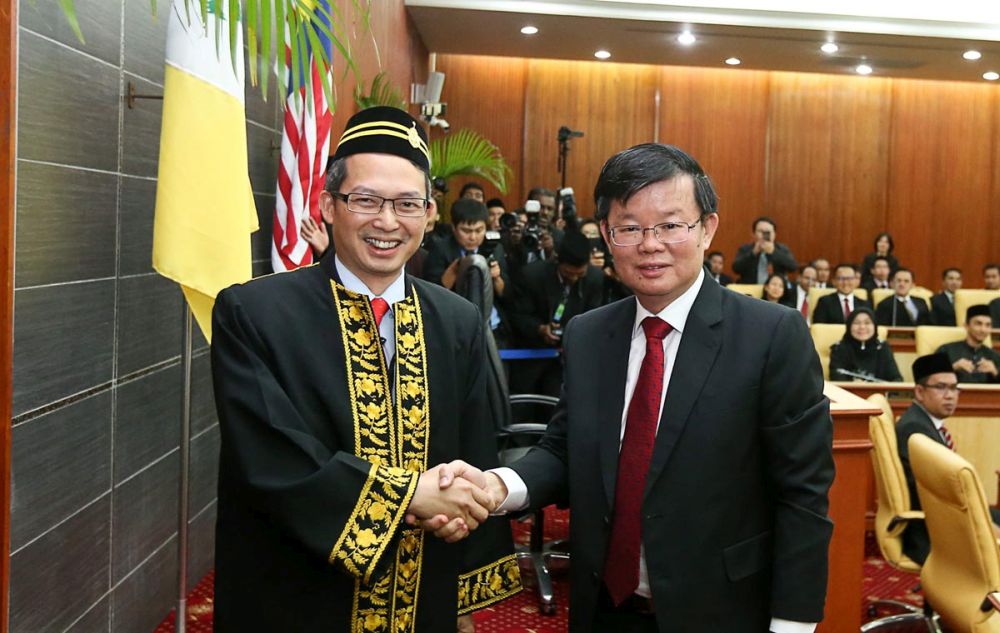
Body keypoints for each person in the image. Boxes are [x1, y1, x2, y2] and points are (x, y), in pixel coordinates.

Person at [434, 143, 834, 632]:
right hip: (604, 606)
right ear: (606, 234)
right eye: (630, 227)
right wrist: (497, 486)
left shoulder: (773, 336)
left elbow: (803, 496)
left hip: (720, 611)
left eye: (670, 225)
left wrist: (792, 625)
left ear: (707, 228)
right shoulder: (588, 334)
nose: (650, 244)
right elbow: (564, 449)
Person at [210, 106, 521, 631]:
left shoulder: (457, 320)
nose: (387, 221)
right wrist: (408, 497)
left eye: (406, 204)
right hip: (295, 596)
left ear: (428, 215)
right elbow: (271, 457)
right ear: (329, 206)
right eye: (366, 200)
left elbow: (471, 445)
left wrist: (462, 525)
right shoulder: (254, 312)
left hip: (422, 594)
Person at [895, 353, 1000, 564]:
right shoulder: (915, 430)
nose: (950, 395)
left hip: (943, 519)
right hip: (932, 532)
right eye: (941, 387)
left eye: (954, 388)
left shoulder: (923, 422)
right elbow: (934, 494)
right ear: (919, 391)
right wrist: (986, 528)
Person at [507, 230, 605, 398]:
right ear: (557, 261)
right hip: (532, 355)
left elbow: (594, 318)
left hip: (571, 357)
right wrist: (540, 329)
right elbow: (518, 315)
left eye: (579, 274)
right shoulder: (531, 276)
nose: (574, 279)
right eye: (568, 273)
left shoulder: (595, 278)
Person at [828, 306, 902, 382]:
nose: (862, 327)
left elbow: (896, 378)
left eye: (867, 323)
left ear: (875, 326)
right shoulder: (839, 348)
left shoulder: (882, 347)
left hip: (880, 393)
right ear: (849, 326)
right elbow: (837, 378)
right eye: (856, 323)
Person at [935, 304, 1000, 383]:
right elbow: (929, 378)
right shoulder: (946, 350)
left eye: (988, 325)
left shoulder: (995, 356)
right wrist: (953, 367)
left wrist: (995, 372)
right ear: (966, 326)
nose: (983, 329)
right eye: (978, 324)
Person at [732, 216, 797, 283]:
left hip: (774, 291)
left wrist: (774, 252)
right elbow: (736, 269)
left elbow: (793, 267)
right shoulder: (745, 249)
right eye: (760, 231)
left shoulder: (782, 249)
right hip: (750, 289)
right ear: (754, 234)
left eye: (768, 232)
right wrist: (753, 253)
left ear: (774, 234)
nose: (764, 235)